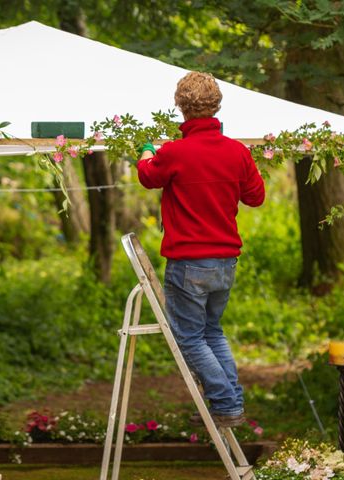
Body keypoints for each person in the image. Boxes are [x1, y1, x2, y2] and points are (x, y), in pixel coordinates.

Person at [135, 71, 265, 427]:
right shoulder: (237, 151)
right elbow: (256, 196)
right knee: (212, 332)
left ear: (180, 106)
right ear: (216, 105)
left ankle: (224, 402)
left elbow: (147, 175)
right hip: (225, 261)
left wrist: (147, 149)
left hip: (189, 262)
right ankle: (231, 404)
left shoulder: (174, 152)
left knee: (189, 337)